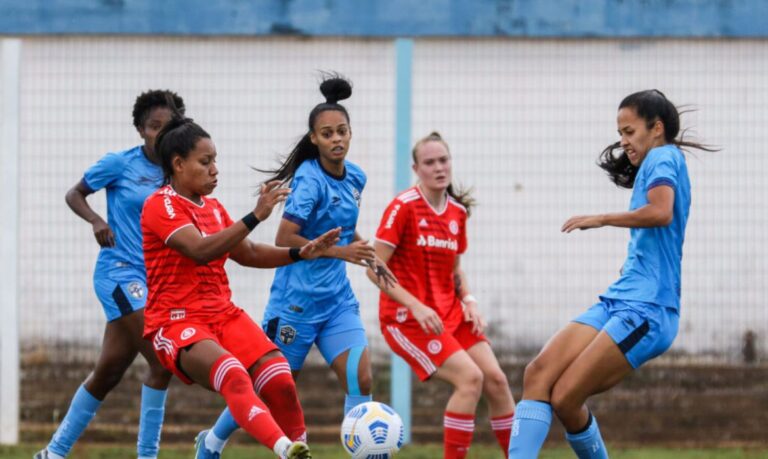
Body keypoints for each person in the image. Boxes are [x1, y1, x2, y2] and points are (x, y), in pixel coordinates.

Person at [195, 74, 395, 459]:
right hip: (296, 306)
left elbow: (344, 231)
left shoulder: (357, 177)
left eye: (342, 131)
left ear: (351, 134)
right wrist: (340, 252)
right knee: (271, 388)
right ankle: (212, 441)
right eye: (327, 134)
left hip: (336, 302)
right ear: (314, 139)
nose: (336, 139)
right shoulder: (308, 182)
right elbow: (286, 238)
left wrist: (367, 252)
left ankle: (366, 452)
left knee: (361, 377)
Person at [507, 90, 715, 459]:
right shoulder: (654, 163)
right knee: (538, 373)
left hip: (648, 310)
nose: (623, 141)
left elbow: (661, 212)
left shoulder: (665, 156)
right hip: (621, 299)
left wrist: (601, 218)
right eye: (621, 132)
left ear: (656, 128)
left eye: (630, 131)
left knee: (566, 397)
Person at [141, 113, 341, 459]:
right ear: (178, 164)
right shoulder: (160, 205)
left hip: (223, 314)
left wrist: (299, 253)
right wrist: (256, 216)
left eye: (215, 160)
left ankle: (280, 448)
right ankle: (286, 450)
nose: (215, 169)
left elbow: (246, 252)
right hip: (176, 321)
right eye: (205, 162)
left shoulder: (214, 208)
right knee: (233, 374)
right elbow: (199, 251)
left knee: (279, 378)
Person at [35, 90, 184, 459]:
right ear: (140, 129)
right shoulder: (119, 164)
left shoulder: (179, 171)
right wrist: (96, 220)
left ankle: (53, 453)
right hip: (119, 273)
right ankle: (147, 455)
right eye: (153, 127)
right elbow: (75, 193)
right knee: (162, 361)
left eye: (168, 128)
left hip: (156, 281)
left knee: (108, 372)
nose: (160, 135)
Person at [370, 132, 516, 459]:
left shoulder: (457, 213)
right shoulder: (403, 207)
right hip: (405, 320)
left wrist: (470, 303)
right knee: (470, 378)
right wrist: (416, 305)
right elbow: (373, 266)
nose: (439, 167)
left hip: (449, 313)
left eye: (443, 160)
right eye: (430, 162)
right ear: (416, 168)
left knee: (496, 380)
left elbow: (455, 270)